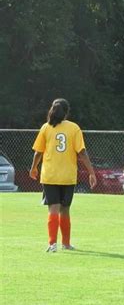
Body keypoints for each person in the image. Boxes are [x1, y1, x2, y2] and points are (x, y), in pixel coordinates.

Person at [29, 98, 97, 252]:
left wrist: (33, 168)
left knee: (53, 208)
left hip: (50, 175)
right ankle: (66, 243)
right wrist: (91, 172)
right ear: (66, 112)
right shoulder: (74, 128)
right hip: (67, 176)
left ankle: (52, 244)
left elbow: (38, 152)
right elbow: (82, 152)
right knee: (65, 209)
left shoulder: (46, 128)